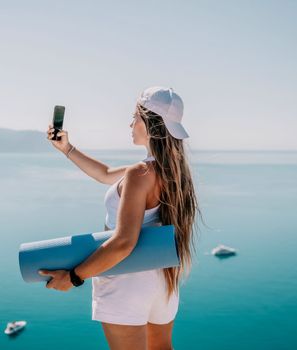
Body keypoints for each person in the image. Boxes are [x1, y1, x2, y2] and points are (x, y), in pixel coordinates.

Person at [40, 86, 201, 350]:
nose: (130, 123)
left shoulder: (141, 173)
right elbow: (104, 174)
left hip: (127, 284)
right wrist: (67, 148)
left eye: (135, 116)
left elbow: (124, 242)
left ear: (151, 125)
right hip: (163, 282)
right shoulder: (172, 172)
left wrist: (73, 277)